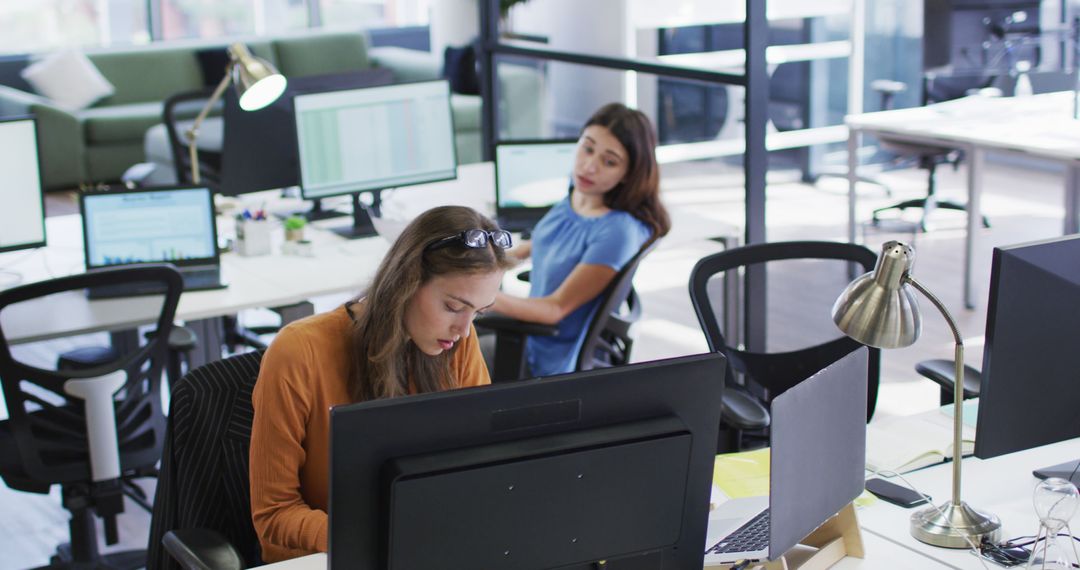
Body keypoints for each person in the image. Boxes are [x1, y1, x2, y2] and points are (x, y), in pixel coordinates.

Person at [249, 206, 515, 563]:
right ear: (406, 282)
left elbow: (479, 469)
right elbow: (273, 514)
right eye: (453, 306)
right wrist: (380, 538)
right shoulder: (299, 351)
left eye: (478, 313)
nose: (465, 330)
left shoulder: (458, 346)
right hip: (324, 557)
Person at [490, 102, 670, 376]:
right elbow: (538, 244)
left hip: (545, 360)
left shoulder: (617, 232)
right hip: (529, 337)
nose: (589, 167)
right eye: (587, 148)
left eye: (609, 162)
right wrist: (476, 262)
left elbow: (555, 309)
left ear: (628, 174)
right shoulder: (579, 194)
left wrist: (481, 297)